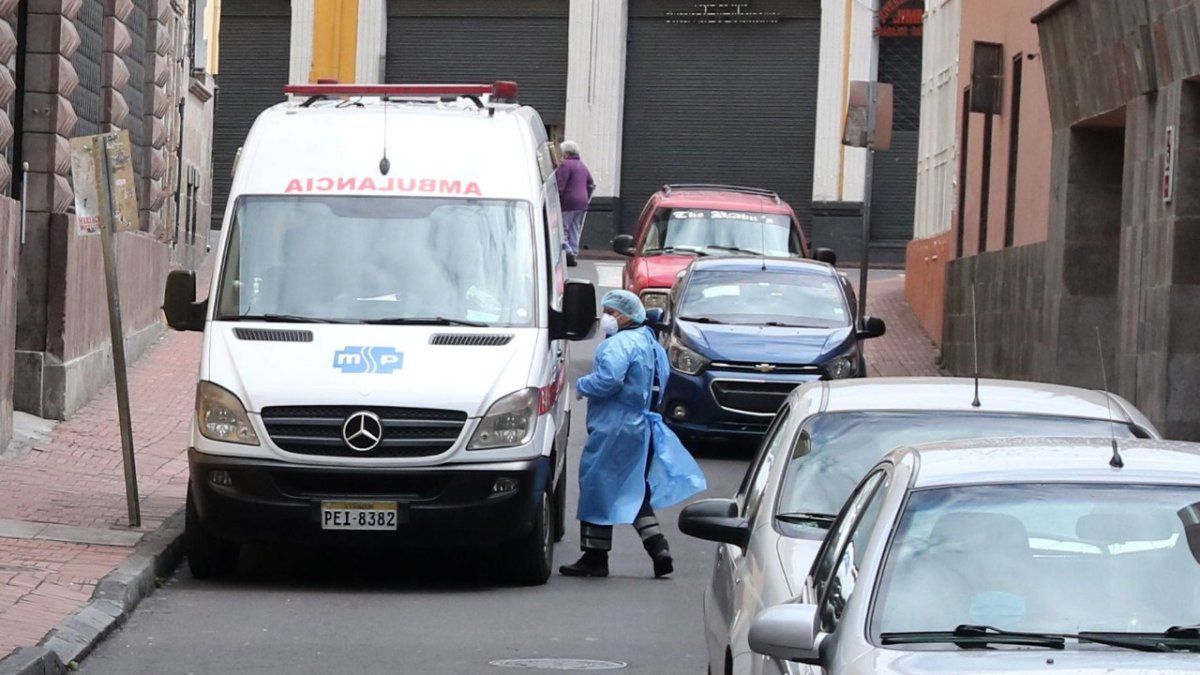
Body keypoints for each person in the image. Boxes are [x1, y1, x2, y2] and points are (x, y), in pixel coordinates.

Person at [561, 290, 707, 578]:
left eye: (611, 313)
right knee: (634, 489)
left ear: (627, 315)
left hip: (614, 427)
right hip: (645, 426)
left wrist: (583, 385)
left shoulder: (616, 345)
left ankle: (595, 555)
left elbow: (608, 380)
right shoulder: (651, 344)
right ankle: (658, 547)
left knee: (596, 486)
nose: (606, 318)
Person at [555, 141, 595, 267]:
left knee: (564, 228)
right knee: (575, 228)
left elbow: (560, 185)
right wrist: (586, 196)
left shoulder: (565, 165)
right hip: (582, 203)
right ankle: (574, 251)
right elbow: (591, 183)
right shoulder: (582, 165)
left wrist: (556, 200)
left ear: (566, 153)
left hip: (568, 202)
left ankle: (568, 253)